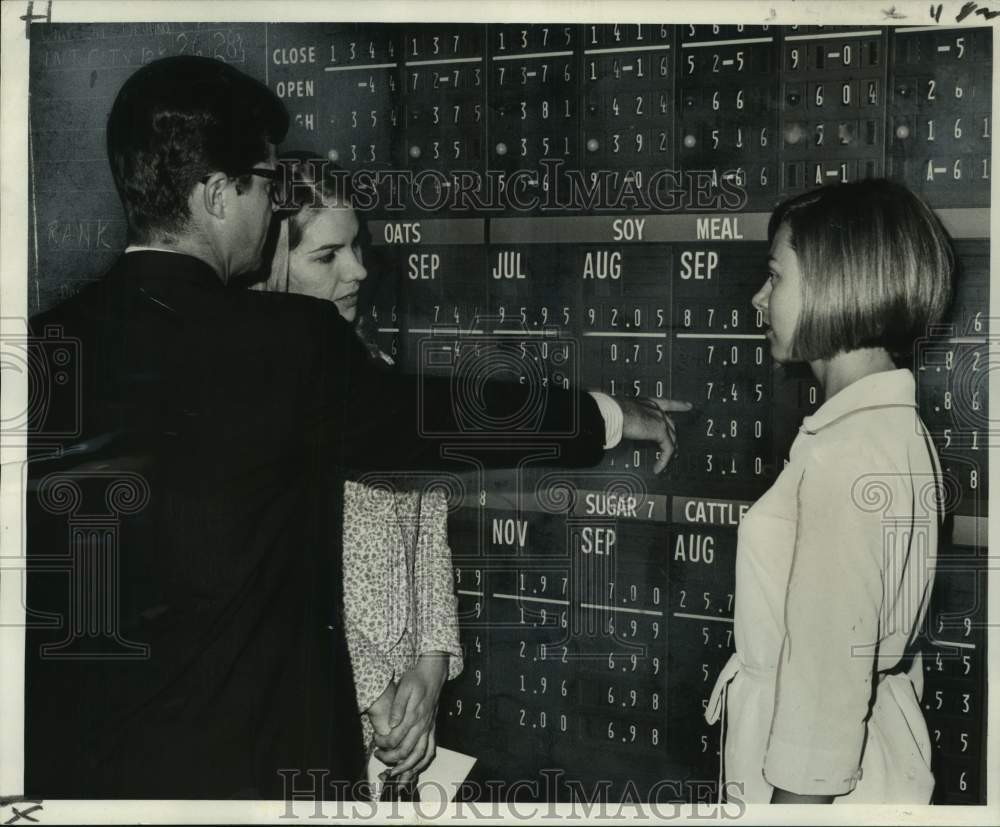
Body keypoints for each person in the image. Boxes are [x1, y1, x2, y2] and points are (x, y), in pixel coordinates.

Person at [24, 55, 687, 800]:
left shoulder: (43, 346)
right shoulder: (289, 341)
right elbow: (442, 421)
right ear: (216, 194)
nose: (274, 207)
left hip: (78, 779)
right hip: (252, 775)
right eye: (266, 184)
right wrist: (609, 414)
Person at [704, 179, 952, 804]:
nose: (759, 299)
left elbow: (824, 692)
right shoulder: (886, 427)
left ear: (834, 283)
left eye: (775, 277)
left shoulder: (847, 455)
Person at [254, 154, 461, 788]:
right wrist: (378, 700)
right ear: (269, 270)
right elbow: (283, 578)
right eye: (328, 256)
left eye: (358, 246)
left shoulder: (370, 364)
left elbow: (430, 526)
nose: (360, 270)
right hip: (320, 701)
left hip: (405, 716)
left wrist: (428, 670)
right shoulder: (254, 392)